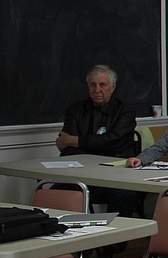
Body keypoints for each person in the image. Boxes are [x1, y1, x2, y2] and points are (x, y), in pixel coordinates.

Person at [57, 64, 138, 217]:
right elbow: (67, 148)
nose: (97, 90)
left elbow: (114, 142)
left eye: (102, 85)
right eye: (92, 85)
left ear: (112, 87)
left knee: (125, 195)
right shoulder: (75, 110)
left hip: (115, 176)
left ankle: (116, 240)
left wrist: (77, 141)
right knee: (57, 190)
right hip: (82, 174)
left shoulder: (125, 111)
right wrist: (99, 143)